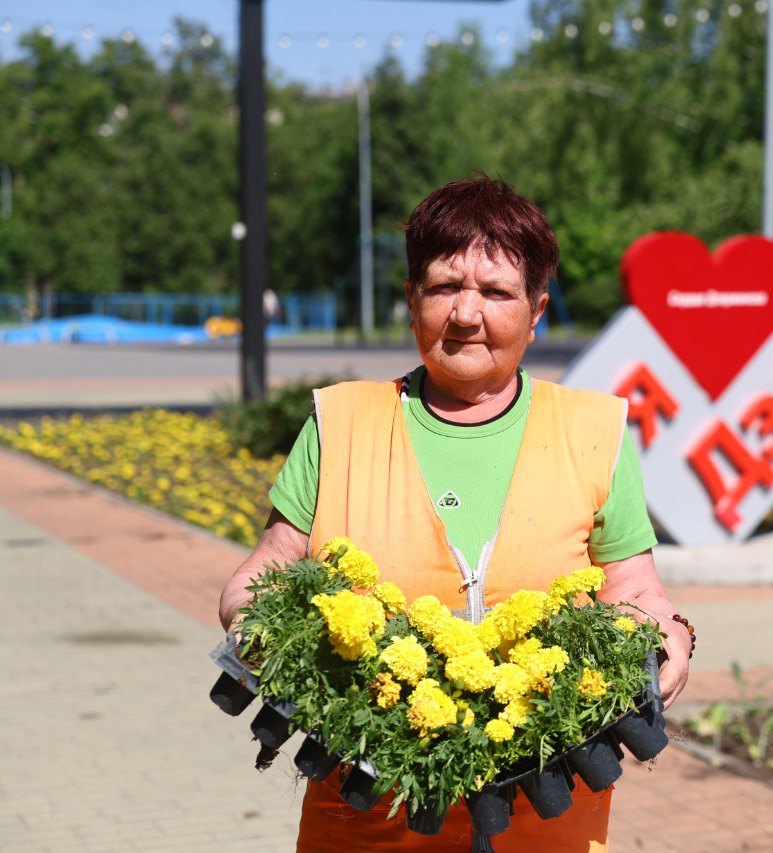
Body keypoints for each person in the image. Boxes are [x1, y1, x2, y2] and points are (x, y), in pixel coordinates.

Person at [219, 176, 692, 852]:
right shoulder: (341, 422)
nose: (466, 314)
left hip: (548, 815)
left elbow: (634, 587)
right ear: (412, 301)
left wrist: (667, 637)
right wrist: (249, 617)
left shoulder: (594, 431)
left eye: (497, 293)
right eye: (444, 287)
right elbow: (268, 565)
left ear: (536, 312)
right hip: (368, 814)